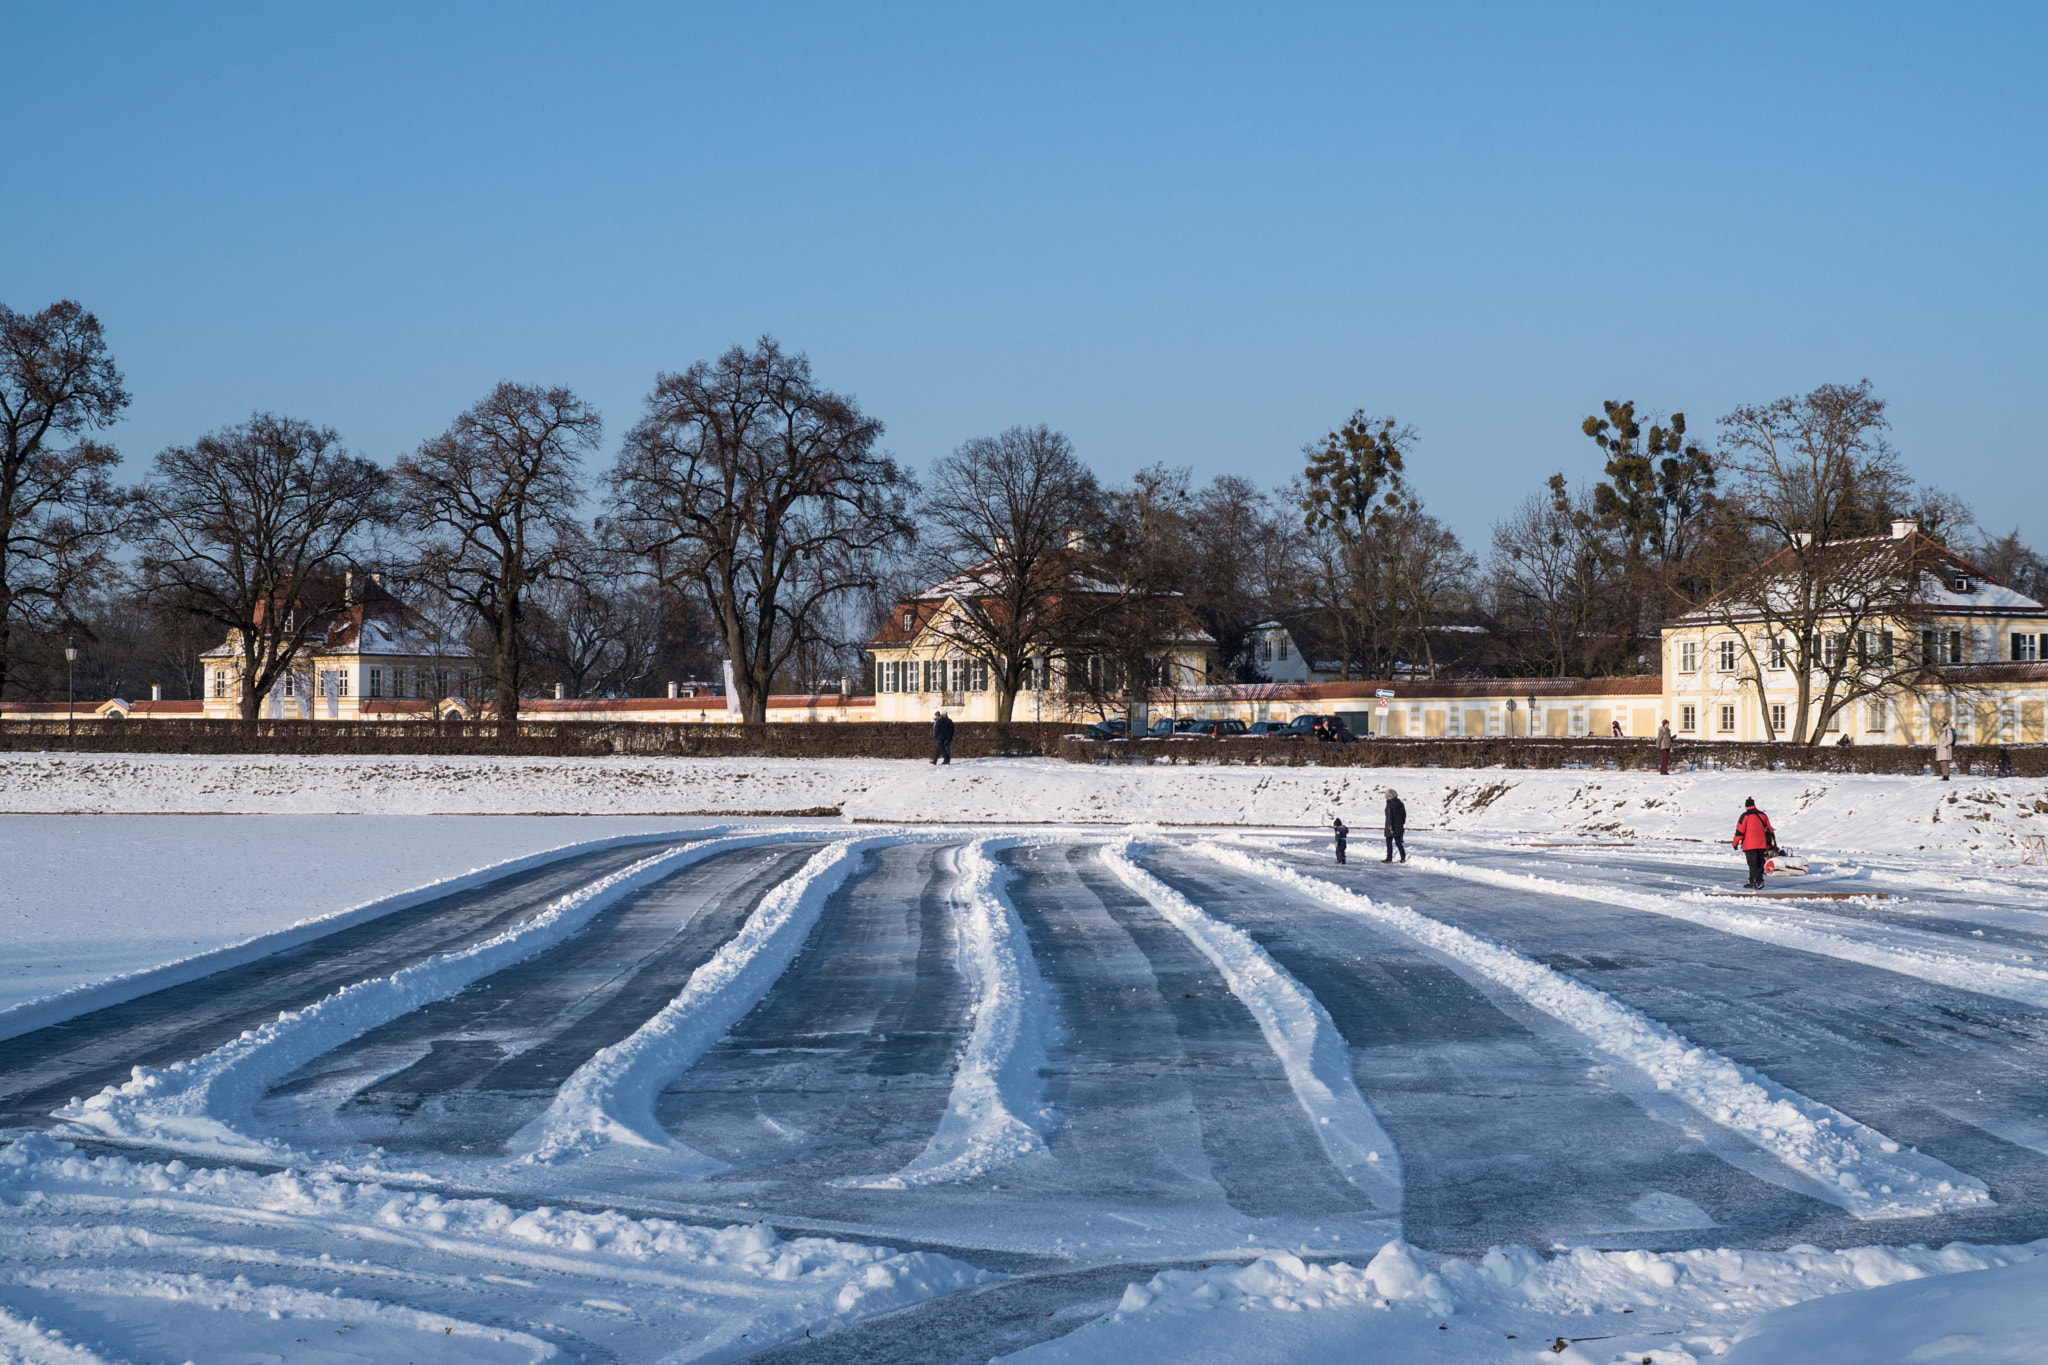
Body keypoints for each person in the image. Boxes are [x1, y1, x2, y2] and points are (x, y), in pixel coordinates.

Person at [1733, 797, 1776, 890]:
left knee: (1752, 864)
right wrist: (1773, 843)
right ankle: (1753, 881)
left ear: (1746, 806)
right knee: (1760, 863)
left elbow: (1740, 831)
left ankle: (1758, 881)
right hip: (1762, 844)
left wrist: (1735, 843)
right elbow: (1770, 830)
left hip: (1749, 845)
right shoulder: (1763, 815)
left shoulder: (1745, 816)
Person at [1383, 788, 1407, 863]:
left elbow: (1389, 816)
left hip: (1391, 826)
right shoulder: (1400, 803)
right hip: (1399, 826)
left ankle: (1389, 857)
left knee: (1389, 842)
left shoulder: (1390, 804)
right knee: (1398, 842)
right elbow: (1404, 815)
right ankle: (1403, 856)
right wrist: (1401, 824)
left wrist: (1390, 827)